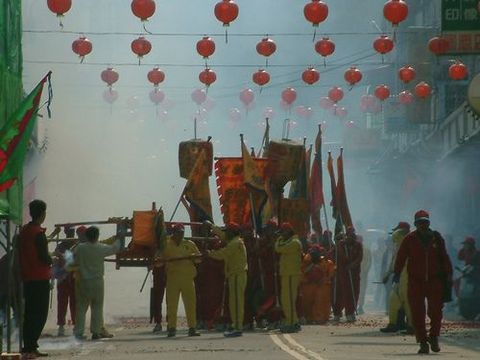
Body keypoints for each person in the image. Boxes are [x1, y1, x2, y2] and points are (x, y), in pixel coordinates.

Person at [394, 210, 453, 354]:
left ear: (429, 223)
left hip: (434, 280)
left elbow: (444, 257)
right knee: (417, 313)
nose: (423, 225)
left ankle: (433, 337)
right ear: (416, 224)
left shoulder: (437, 238)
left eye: (425, 222)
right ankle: (422, 342)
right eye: (420, 222)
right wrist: (396, 272)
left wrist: (449, 274)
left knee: (436, 312)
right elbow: (401, 257)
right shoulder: (409, 239)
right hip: (416, 281)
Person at [19, 199, 61, 358]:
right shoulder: (38, 234)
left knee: (29, 313)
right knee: (39, 314)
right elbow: (43, 257)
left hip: (27, 277)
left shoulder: (24, 231)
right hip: (39, 278)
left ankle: (28, 346)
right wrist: (53, 260)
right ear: (42, 214)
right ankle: (30, 347)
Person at [73, 226, 120, 340]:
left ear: (86, 236)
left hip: (83, 281)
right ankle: (96, 331)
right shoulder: (101, 248)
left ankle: (78, 333)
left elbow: (71, 256)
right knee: (97, 307)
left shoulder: (80, 248)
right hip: (97, 282)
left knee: (81, 308)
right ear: (97, 236)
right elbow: (115, 248)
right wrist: (119, 237)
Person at [207, 222, 247, 337]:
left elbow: (223, 254)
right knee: (234, 303)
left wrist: (210, 254)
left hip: (237, 275)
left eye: (228, 231)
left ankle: (238, 327)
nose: (226, 233)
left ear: (232, 232)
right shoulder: (234, 241)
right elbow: (223, 236)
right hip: (234, 275)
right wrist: (213, 228)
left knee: (237, 303)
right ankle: (236, 325)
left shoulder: (235, 243)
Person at [161, 223, 201, 337]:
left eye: (182, 232)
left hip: (188, 278)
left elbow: (199, 259)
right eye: (178, 232)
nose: (180, 234)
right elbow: (159, 260)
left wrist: (194, 256)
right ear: (174, 233)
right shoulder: (166, 244)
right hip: (173, 278)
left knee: (190, 304)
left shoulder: (189, 244)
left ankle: (192, 328)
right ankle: (172, 328)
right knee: (172, 305)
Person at [380, 222, 412, 333]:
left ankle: (411, 325)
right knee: (393, 300)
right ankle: (393, 324)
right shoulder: (397, 247)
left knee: (408, 302)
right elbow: (394, 263)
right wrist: (388, 274)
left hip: (407, 277)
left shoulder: (411, 247)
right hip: (398, 276)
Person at [275, 222, 302, 333]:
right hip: (286, 274)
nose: (281, 235)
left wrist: (278, 239)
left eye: (283, 232)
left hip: (292, 274)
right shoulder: (287, 241)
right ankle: (292, 321)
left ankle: (292, 322)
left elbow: (278, 248)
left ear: (288, 232)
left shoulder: (295, 242)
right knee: (285, 300)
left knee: (289, 300)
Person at [333, 227, 363, 323]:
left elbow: (359, 258)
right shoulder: (341, 245)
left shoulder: (358, 245)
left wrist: (352, 265)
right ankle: (337, 313)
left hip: (354, 274)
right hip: (343, 274)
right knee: (341, 293)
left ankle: (350, 312)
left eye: (353, 235)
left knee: (354, 293)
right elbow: (341, 256)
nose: (351, 237)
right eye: (349, 235)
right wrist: (347, 262)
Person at [300, 245, 335, 324]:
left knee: (321, 302)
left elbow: (330, 273)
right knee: (307, 302)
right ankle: (309, 317)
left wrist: (324, 279)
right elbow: (302, 272)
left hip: (321, 285)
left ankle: (320, 318)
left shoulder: (326, 262)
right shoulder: (307, 260)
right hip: (308, 284)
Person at [53, 226, 77, 337]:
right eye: (69, 231)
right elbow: (56, 259)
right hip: (63, 277)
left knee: (74, 303)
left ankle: (76, 325)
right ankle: (61, 326)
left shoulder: (77, 245)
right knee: (62, 303)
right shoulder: (61, 245)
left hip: (73, 277)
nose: (70, 233)